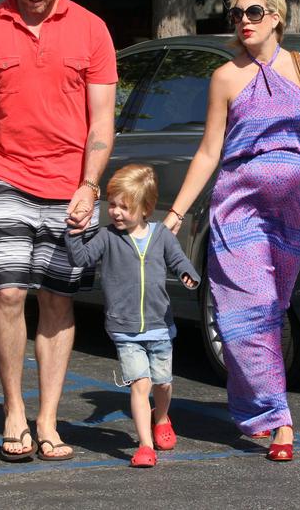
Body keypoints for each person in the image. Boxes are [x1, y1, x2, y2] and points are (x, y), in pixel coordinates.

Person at [0, 0, 117, 461]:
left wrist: (90, 185)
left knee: (57, 297)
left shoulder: (92, 30)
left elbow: (102, 119)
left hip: (69, 182)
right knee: (7, 291)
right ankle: (14, 411)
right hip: (2, 174)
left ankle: (47, 418)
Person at [163, 0, 300, 462]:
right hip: (238, 208)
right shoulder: (224, 77)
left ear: (276, 16)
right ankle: (280, 421)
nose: (243, 21)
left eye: (253, 12)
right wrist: (176, 213)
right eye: (235, 14)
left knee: (269, 312)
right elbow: (208, 152)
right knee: (247, 310)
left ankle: (252, 406)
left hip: (292, 211)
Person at [64, 164, 199, 467]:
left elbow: (178, 260)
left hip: (159, 325)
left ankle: (161, 418)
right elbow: (81, 258)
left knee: (163, 383)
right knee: (140, 384)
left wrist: (188, 274)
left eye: (124, 207)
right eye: (112, 204)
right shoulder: (106, 237)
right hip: (125, 329)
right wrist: (74, 233)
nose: (115, 212)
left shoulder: (161, 235)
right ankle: (145, 445)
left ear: (146, 208)